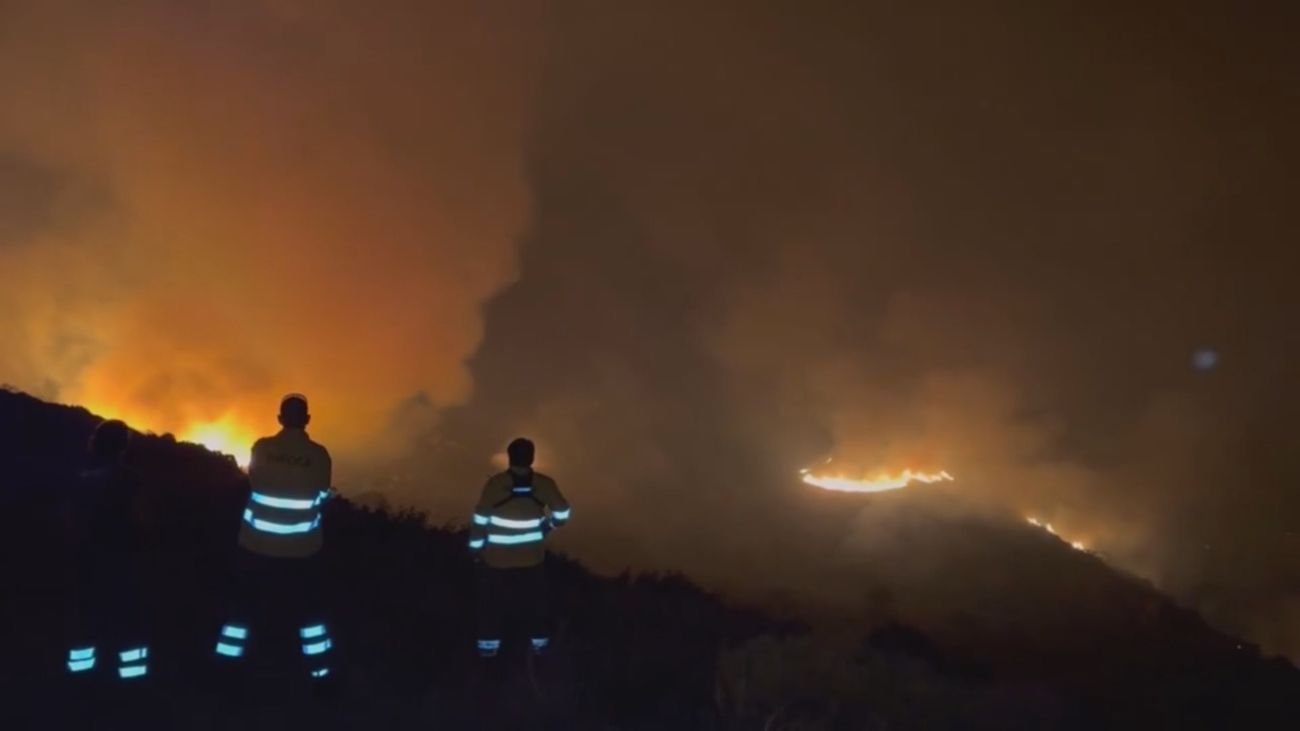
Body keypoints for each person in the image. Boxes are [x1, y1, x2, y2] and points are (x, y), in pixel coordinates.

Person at [213, 394, 336, 687]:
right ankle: (320, 675)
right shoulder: (319, 455)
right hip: (301, 551)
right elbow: (321, 495)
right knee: (309, 616)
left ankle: (225, 673)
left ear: (280, 419)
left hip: (255, 548)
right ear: (307, 419)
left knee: (242, 612)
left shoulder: (262, 448)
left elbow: (254, 482)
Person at [63, 419, 151, 683]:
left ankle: (81, 681)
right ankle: (131, 682)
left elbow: (70, 523)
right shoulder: (134, 480)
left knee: (87, 621)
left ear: (95, 444)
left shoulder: (82, 482)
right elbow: (145, 519)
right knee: (128, 623)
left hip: (90, 560)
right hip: (125, 561)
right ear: (123, 447)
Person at [468, 438, 571, 659]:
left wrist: (476, 548)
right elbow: (562, 512)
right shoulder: (544, 484)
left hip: (496, 559)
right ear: (532, 458)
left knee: (491, 605)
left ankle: (488, 652)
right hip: (531, 559)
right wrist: (549, 526)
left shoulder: (495, 484)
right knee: (535, 604)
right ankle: (540, 649)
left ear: (509, 456)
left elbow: (480, 518)